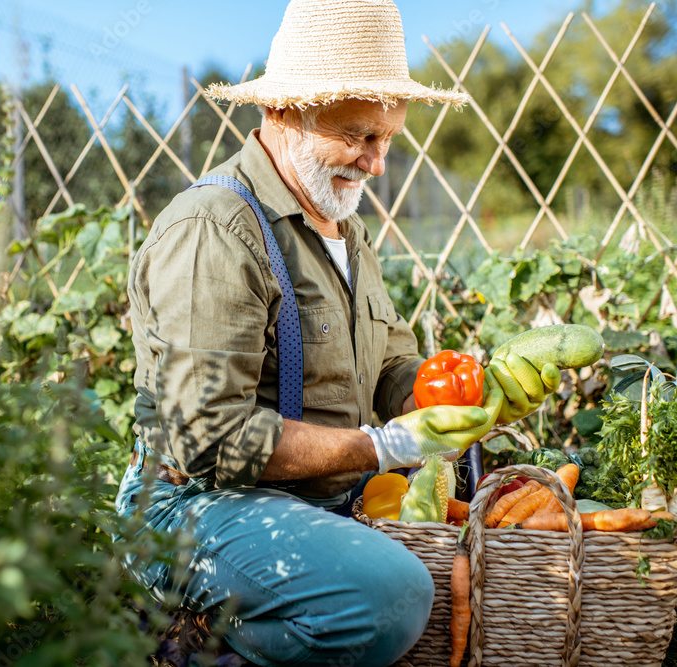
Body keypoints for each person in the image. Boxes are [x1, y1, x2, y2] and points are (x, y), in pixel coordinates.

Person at [115, 1, 560, 665]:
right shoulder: (215, 229)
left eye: (387, 139)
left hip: (313, 505)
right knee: (392, 594)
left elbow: (390, 372)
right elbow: (208, 438)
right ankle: (198, 649)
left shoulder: (343, 229)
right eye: (358, 136)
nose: (377, 164)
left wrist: (465, 398)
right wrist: (381, 446)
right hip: (194, 504)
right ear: (283, 112)